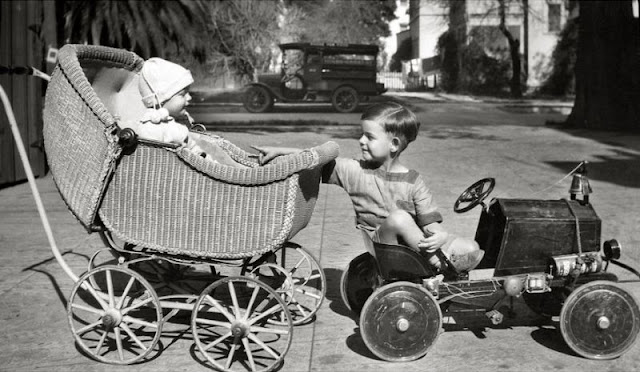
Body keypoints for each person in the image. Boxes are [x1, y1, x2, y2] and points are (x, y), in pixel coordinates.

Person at [253, 102, 484, 273]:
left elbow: (431, 225)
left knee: (470, 246)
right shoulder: (354, 170)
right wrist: (281, 151)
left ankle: (439, 259)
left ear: (393, 144)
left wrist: (440, 237)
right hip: (386, 247)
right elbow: (313, 159)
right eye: (362, 135)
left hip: (414, 245)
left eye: (369, 137)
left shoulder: (414, 182)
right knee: (400, 219)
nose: (361, 141)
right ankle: (434, 264)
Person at [134, 57, 246, 168]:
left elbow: (195, 147)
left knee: (215, 149)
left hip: (200, 163)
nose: (189, 97)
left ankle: (234, 167)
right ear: (160, 100)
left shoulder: (177, 121)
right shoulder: (151, 128)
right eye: (182, 95)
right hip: (180, 174)